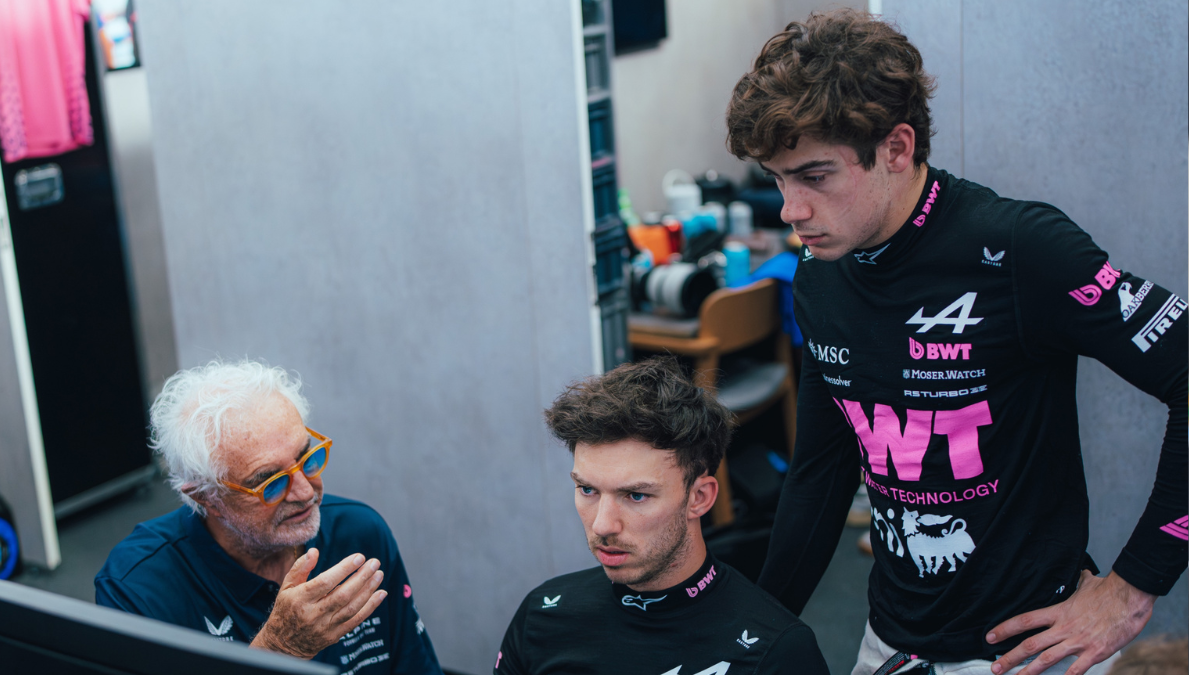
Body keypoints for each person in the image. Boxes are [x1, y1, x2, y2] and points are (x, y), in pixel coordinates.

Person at [724, 9, 1186, 675]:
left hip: (1029, 648)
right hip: (891, 639)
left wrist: (1134, 586)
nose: (791, 209)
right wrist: (754, 637)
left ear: (896, 148)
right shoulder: (820, 273)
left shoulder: (1021, 249)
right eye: (778, 178)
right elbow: (822, 471)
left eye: (816, 176)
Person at [96, 360, 442, 675]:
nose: (305, 492)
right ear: (207, 497)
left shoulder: (359, 534)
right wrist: (279, 650)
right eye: (270, 481)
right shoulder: (138, 588)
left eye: (306, 458)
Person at [494, 357, 829, 675]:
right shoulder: (541, 616)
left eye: (636, 495)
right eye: (588, 490)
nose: (602, 525)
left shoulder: (776, 653)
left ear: (699, 498)